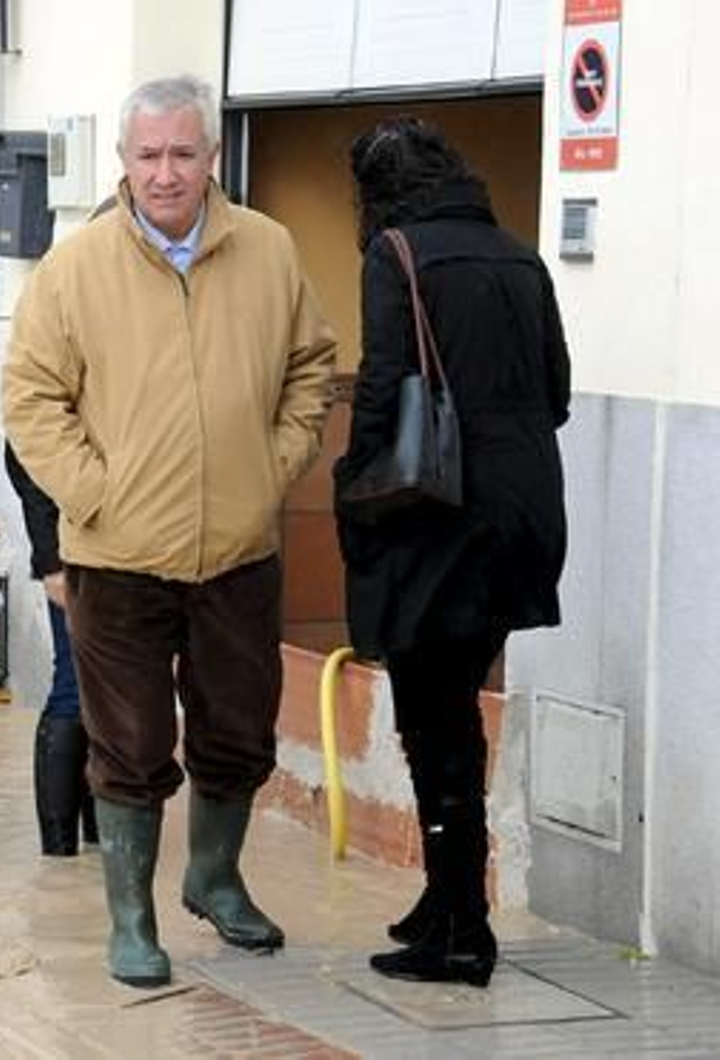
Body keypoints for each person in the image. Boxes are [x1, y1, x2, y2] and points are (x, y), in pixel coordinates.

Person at [2, 75, 337, 988]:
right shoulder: (75, 268)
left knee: (237, 732)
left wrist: (273, 467)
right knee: (131, 745)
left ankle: (216, 879)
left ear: (212, 157)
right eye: (147, 155)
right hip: (115, 558)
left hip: (238, 551)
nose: (165, 173)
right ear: (122, 162)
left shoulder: (268, 251)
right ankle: (131, 920)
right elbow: (29, 399)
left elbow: (313, 366)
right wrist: (93, 492)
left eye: (182, 153)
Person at [335, 118, 570, 988]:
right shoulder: (518, 253)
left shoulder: (395, 254)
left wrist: (352, 494)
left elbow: (377, 390)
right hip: (525, 516)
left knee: (435, 726)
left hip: (435, 520)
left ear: (374, 192)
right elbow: (558, 389)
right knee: (453, 710)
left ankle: (464, 931)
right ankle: (447, 900)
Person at [5, 441, 98, 856]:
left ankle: (104, 835)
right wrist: (51, 561)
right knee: (74, 685)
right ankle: (59, 849)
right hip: (74, 548)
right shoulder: (51, 385)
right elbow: (25, 453)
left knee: (112, 689)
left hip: (137, 544)